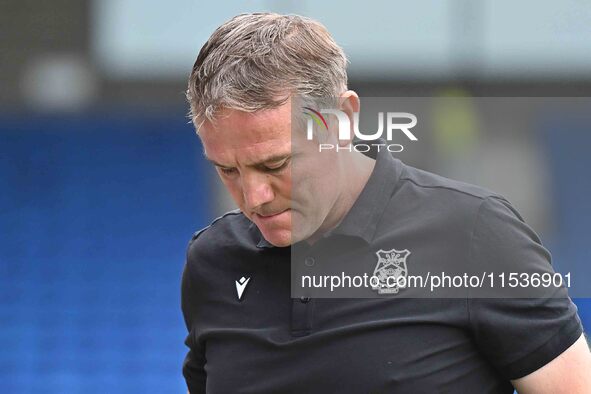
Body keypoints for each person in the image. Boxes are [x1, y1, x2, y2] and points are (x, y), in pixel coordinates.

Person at [181, 12, 591, 393]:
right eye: (228, 170)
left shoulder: (475, 233)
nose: (254, 198)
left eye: (275, 164)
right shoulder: (212, 261)